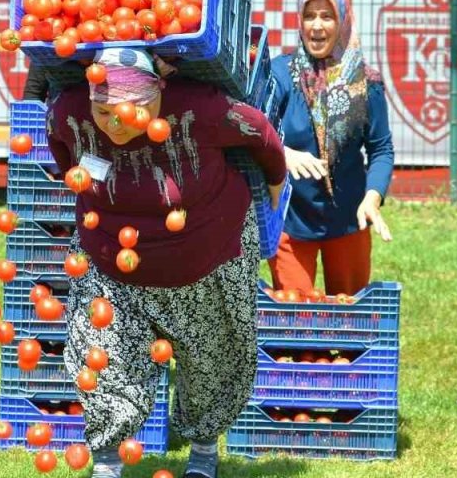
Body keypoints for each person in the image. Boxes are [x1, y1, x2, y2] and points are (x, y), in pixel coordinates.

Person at [46, 50, 286, 478]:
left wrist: (276, 180)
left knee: (212, 359)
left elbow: (262, 133)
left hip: (207, 260)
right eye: (103, 112)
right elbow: (64, 154)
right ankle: (107, 461)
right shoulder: (70, 111)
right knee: (104, 356)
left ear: (159, 90)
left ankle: (203, 451)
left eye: (131, 112)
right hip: (111, 267)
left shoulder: (198, 109)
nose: (115, 124)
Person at [267, 0, 394, 297]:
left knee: (349, 317)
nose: (317, 25)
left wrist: (372, 198)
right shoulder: (280, 74)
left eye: (327, 16)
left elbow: (381, 148)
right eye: (309, 16)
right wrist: (283, 153)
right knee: (294, 316)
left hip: (350, 216)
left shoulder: (367, 84)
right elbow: (256, 130)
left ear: (343, 22)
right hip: (290, 216)